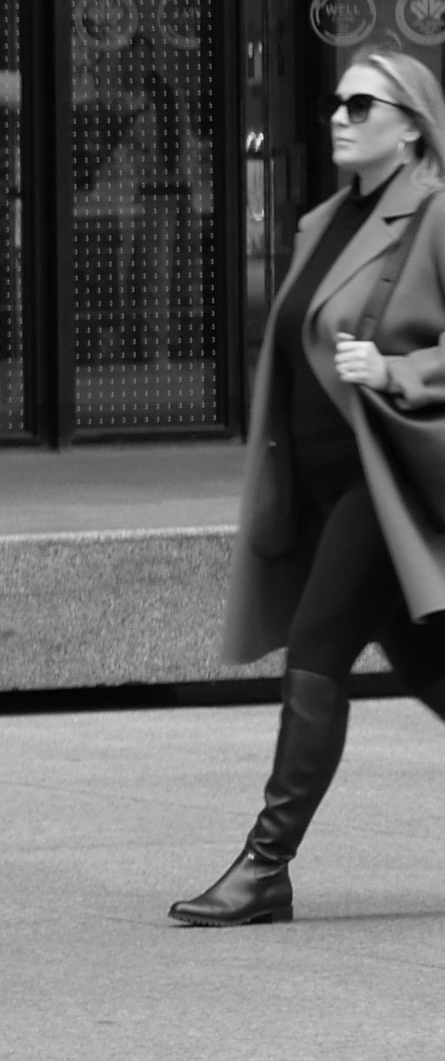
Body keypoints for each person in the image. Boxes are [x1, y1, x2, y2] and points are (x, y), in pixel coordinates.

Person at [183, 47, 445, 926]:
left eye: (363, 105)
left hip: (385, 482)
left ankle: (266, 866)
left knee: (316, 650)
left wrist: (397, 366)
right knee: (433, 670)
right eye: (337, 101)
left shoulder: (435, 214)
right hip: (322, 484)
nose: (340, 115)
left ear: (411, 126)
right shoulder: (322, 220)